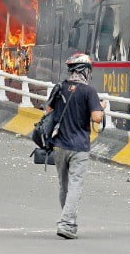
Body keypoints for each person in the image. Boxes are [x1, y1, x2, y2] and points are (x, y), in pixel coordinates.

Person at [45, 52, 105, 240]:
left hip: (59, 145)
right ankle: (66, 223)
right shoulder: (89, 92)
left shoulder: (60, 88)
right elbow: (96, 117)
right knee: (75, 186)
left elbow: (48, 111)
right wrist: (101, 107)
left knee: (64, 186)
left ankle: (68, 222)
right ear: (85, 71)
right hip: (79, 146)